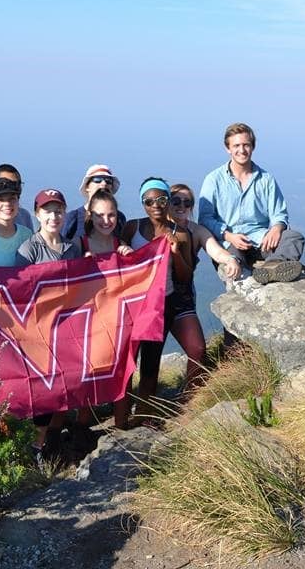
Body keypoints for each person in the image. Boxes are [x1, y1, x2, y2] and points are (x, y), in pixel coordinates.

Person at [114, 178, 204, 428]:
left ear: (168, 201)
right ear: (143, 203)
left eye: (162, 200)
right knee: (126, 364)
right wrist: (121, 247)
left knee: (151, 363)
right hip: (132, 306)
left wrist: (175, 253)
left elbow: (185, 275)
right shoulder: (132, 228)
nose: (156, 205)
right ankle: (120, 423)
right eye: (149, 201)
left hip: (160, 306)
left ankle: (144, 417)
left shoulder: (180, 234)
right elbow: (116, 257)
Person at [15, 188, 83, 464]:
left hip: (66, 329)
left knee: (62, 386)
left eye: (58, 210)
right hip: (38, 332)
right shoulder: (29, 249)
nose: (53, 216)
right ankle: (36, 446)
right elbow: (18, 291)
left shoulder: (72, 248)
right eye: (47, 210)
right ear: (37, 214)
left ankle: (52, 443)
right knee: (41, 390)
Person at [198, 122, 305, 284]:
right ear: (228, 148)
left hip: (261, 239)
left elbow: (279, 213)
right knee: (233, 260)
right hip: (229, 241)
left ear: (253, 147)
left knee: (294, 237)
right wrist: (228, 235)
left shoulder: (266, 179)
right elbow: (205, 218)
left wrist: (276, 228)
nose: (242, 150)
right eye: (236, 145)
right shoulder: (214, 180)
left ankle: (273, 266)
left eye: (246, 145)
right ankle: (258, 268)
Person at [167, 183, 241, 388]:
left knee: (198, 349)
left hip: (182, 300)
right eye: (176, 201)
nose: (182, 206)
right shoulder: (154, 228)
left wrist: (231, 259)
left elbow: (215, 249)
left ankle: (189, 399)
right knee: (148, 355)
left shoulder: (196, 231)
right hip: (154, 301)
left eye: (187, 202)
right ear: (166, 202)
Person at [63, 164, 126, 240]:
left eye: (108, 181)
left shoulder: (119, 218)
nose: (104, 184)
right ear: (87, 187)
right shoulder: (73, 218)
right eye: (97, 180)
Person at [81, 190, 133, 257]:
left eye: (111, 215)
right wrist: (81, 262)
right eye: (100, 215)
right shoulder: (78, 245)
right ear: (90, 216)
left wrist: (132, 257)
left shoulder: (121, 245)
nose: (106, 221)